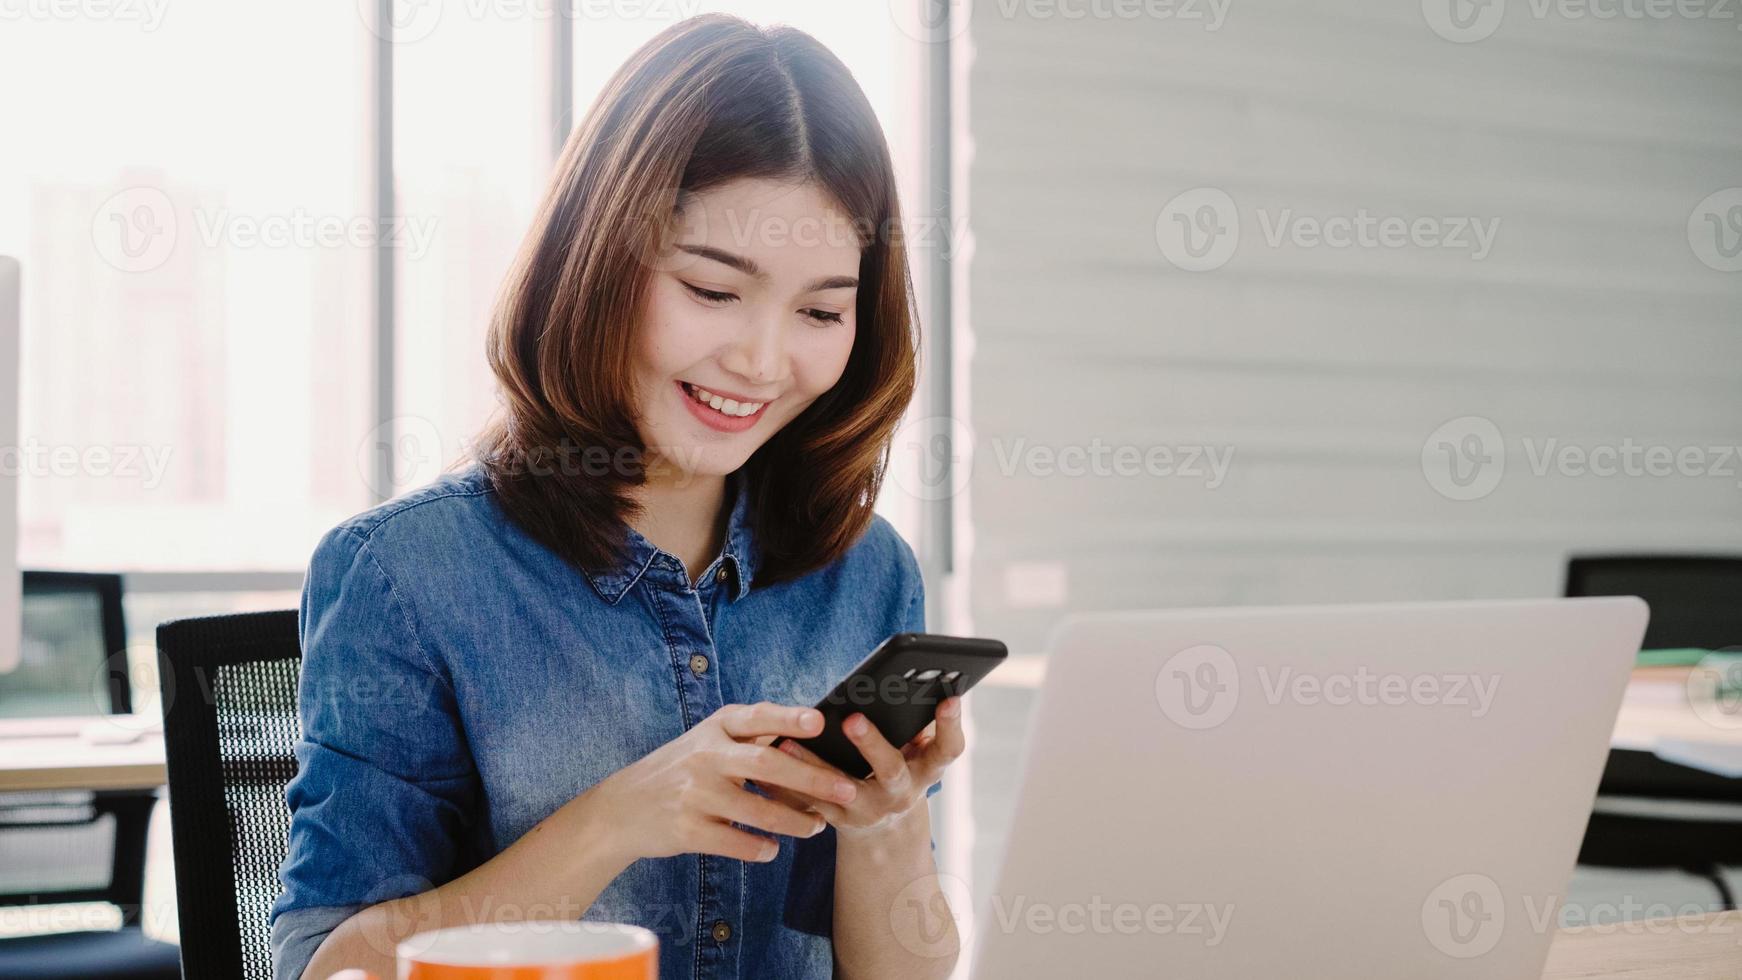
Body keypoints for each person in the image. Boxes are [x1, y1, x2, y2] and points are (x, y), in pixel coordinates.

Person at [268, 13, 962, 980]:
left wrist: (884, 830)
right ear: (598, 264)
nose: (762, 361)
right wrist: (616, 820)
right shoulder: (406, 577)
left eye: (819, 311)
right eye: (713, 291)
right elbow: (330, 969)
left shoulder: (865, 570)